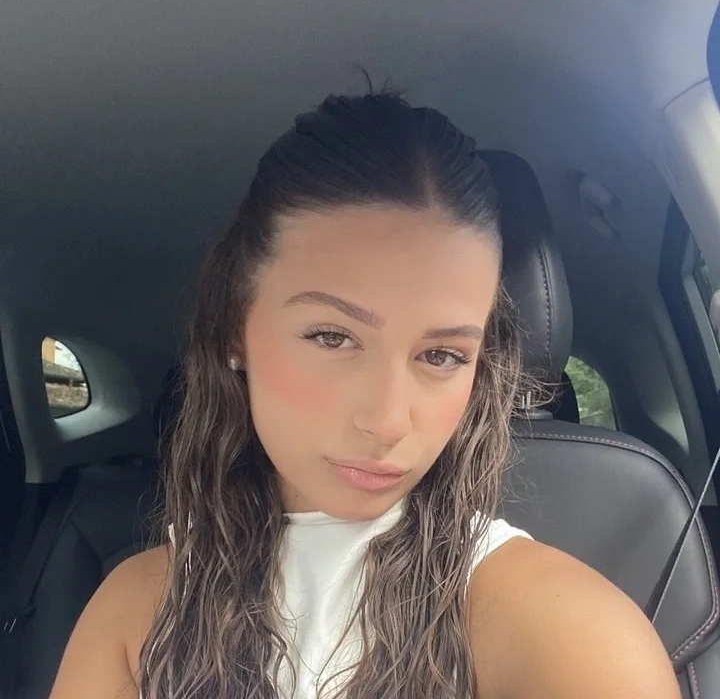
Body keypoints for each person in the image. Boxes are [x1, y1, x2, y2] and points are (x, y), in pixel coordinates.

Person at [50, 92, 681, 699]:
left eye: (442, 355)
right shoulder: (135, 609)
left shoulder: (564, 630)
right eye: (332, 337)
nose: (387, 421)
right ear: (234, 331)